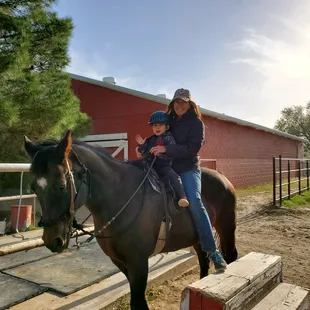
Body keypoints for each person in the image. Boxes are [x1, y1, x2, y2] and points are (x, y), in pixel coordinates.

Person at [135, 89, 227, 271]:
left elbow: (192, 148)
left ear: (190, 103)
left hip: (187, 168)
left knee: (194, 200)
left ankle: (212, 251)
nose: (179, 105)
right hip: (164, 166)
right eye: (177, 102)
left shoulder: (196, 123)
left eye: (183, 102)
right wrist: (144, 149)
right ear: (173, 103)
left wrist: (166, 150)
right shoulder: (168, 120)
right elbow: (157, 139)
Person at [134, 110, 190, 207]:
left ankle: (182, 196)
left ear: (167, 126)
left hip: (164, 165)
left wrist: (160, 154)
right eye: (155, 125)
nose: (157, 127)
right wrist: (140, 147)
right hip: (150, 166)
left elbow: (172, 153)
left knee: (174, 176)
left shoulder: (168, 138)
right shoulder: (151, 139)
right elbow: (144, 151)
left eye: (160, 125)